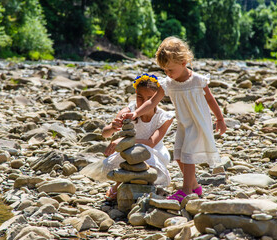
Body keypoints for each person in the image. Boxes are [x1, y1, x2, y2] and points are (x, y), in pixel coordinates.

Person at [123, 36, 227, 202]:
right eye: (164, 70)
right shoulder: (168, 83)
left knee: (188, 156)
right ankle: (195, 186)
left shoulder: (197, 80)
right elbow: (152, 101)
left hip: (198, 123)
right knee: (178, 155)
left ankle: (186, 190)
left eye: (170, 70)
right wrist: (135, 113)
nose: (167, 73)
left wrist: (220, 118)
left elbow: (210, 99)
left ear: (184, 62)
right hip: (184, 124)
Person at [80, 73, 174, 201]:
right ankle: (122, 184)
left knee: (145, 158)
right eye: (139, 97)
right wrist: (113, 128)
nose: (144, 102)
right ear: (135, 94)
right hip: (130, 151)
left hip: (155, 152)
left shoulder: (164, 117)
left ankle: (124, 186)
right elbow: (105, 133)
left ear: (156, 99)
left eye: (149, 98)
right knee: (118, 162)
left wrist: (123, 141)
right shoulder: (129, 111)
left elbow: (151, 143)